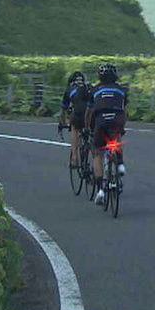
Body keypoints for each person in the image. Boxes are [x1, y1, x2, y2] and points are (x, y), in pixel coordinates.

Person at [86, 62, 128, 204]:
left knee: (97, 153)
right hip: (117, 119)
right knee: (116, 138)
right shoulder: (122, 89)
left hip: (100, 121)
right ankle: (120, 164)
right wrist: (123, 125)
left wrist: (88, 128)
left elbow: (89, 112)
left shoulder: (94, 90)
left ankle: (100, 190)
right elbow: (124, 109)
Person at [59, 71, 89, 168]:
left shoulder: (70, 89)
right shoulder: (89, 87)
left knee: (74, 128)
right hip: (91, 114)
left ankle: (74, 158)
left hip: (78, 114)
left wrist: (62, 123)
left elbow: (63, 109)